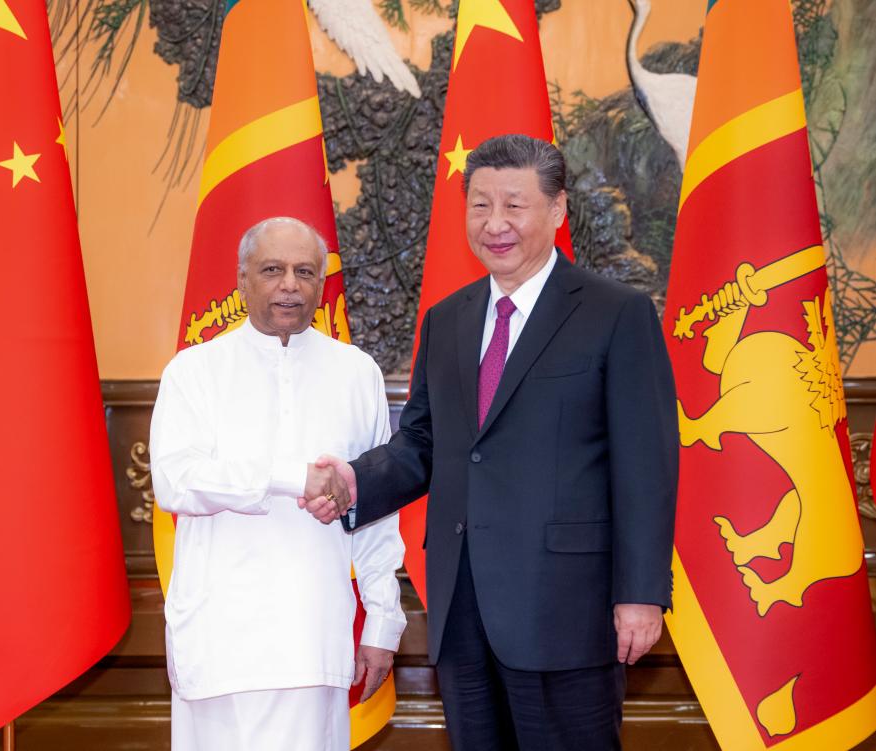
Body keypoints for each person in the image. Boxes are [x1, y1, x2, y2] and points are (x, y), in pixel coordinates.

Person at [306, 135, 678, 750]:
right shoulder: (448, 319)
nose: (495, 224)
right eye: (480, 205)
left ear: (557, 210)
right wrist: (353, 481)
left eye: (514, 204)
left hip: (569, 610)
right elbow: (423, 443)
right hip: (462, 608)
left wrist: (639, 595)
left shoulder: (616, 315)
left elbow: (646, 467)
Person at [150, 216, 406, 751]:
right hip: (219, 639)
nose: (290, 283)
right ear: (243, 280)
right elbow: (177, 481)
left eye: (304, 271)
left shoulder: (357, 373)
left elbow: (378, 511)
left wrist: (383, 623)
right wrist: (293, 478)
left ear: (320, 283)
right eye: (273, 269)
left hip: (314, 637)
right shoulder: (194, 371)